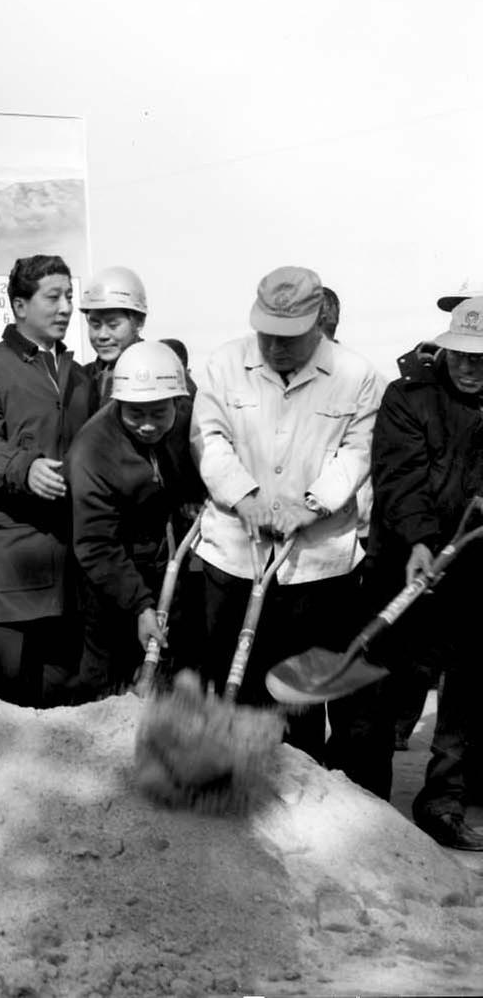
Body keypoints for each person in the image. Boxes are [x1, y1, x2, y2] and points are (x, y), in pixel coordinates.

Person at [192, 265, 384, 784]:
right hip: (235, 552)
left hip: (316, 562)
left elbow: (357, 451)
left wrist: (314, 504)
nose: (275, 347)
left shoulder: (356, 375)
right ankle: (238, 787)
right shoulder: (226, 363)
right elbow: (209, 438)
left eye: (290, 338)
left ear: (318, 324)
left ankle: (301, 789)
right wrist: (244, 496)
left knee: (301, 693)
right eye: (267, 334)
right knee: (239, 683)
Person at [366, 297, 483, 849]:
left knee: (464, 695)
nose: (469, 366)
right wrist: (417, 540)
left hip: (474, 575)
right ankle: (368, 808)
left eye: (481, 358)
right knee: (394, 684)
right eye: (462, 354)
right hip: (406, 567)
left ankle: (442, 805)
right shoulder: (408, 397)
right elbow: (397, 477)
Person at [0, 254, 96, 707]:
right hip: (11, 575)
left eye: (69, 297)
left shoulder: (79, 378)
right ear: (19, 305)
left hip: (69, 579)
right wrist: (25, 468)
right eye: (52, 297)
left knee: (64, 719)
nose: (65, 308)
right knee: (9, 715)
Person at [68, 341, 203, 699]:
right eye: (135, 414)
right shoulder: (92, 450)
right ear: (119, 402)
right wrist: (139, 605)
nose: (146, 426)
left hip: (167, 561)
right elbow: (96, 545)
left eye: (158, 414)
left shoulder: (190, 419)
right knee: (106, 685)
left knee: (172, 673)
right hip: (111, 575)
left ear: (177, 402)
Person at [78, 266, 149, 401]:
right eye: (95, 325)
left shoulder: (160, 374)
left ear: (139, 322)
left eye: (113, 325)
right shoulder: (80, 379)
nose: (102, 335)